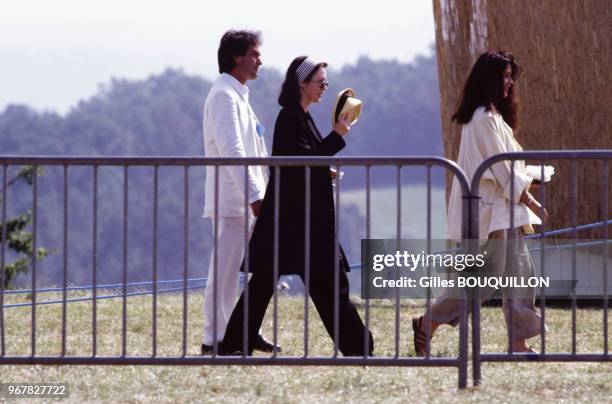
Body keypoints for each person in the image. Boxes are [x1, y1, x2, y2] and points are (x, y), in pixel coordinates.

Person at [219, 56, 374, 356]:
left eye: (326, 83)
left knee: (272, 284)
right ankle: (359, 347)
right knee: (323, 286)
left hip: (296, 221)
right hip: (298, 223)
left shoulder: (300, 116)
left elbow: (306, 160)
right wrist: (338, 136)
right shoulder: (290, 117)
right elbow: (303, 161)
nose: (324, 89)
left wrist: (322, 168)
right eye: (320, 83)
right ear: (302, 84)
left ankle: (235, 343)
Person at [412, 51, 548, 355]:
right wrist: (531, 195)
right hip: (492, 212)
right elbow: (502, 169)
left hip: (504, 210)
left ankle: (518, 341)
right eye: (505, 76)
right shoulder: (483, 119)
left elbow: (509, 168)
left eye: (511, 76)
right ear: (490, 78)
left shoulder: (493, 117)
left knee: (521, 275)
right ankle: (429, 322)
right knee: (483, 282)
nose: (510, 82)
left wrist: (527, 182)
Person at [201, 30, 278, 354]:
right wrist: (254, 196)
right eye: (255, 54)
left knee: (250, 271)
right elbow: (232, 151)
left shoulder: (238, 95)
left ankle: (243, 330)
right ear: (237, 56)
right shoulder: (223, 95)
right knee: (226, 272)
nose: (260, 60)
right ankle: (214, 338)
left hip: (245, 201)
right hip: (237, 202)